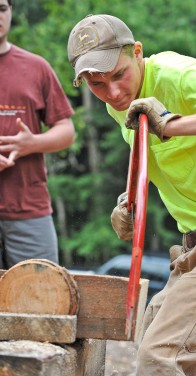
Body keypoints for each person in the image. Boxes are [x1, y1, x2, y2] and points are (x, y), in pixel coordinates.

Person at [67, 14, 196, 376]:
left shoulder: (175, 74)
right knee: (151, 340)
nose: (114, 92)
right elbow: (153, 161)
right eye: (98, 85)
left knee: (159, 360)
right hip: (193, 247)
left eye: (119, 75)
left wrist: (172, 124)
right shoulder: (119, 105)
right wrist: (127, 202)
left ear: (137, 52)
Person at [0, 0, 75, 269]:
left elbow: (67, 132)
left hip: (28, 209)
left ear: (11, 12)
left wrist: (32, 143)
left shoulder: (36, 67)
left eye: (2, 8)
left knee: (42, 298)